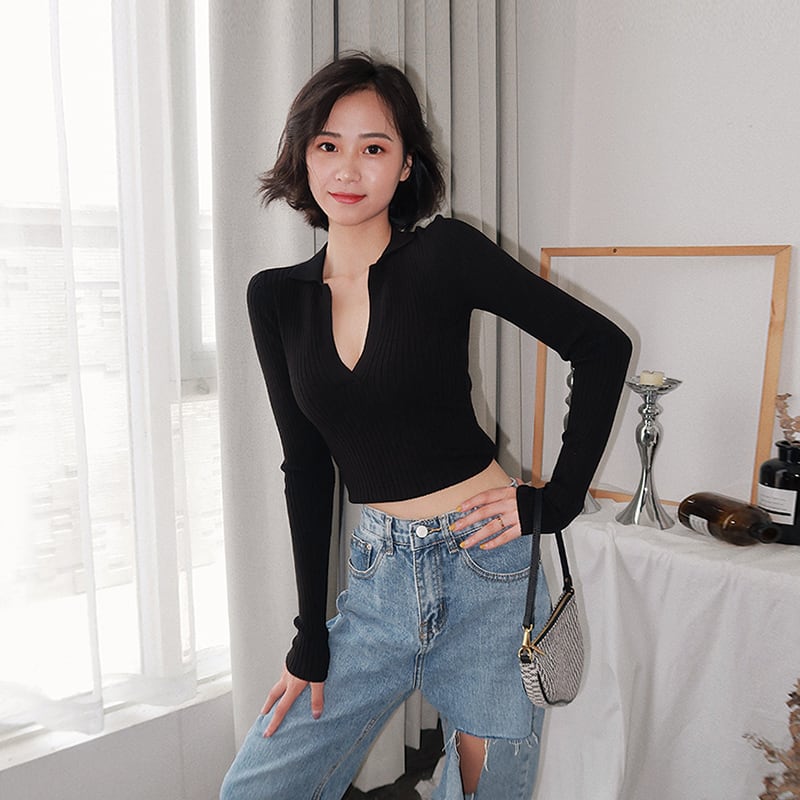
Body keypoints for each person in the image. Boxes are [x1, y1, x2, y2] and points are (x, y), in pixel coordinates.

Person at [220, 53, 631, 800]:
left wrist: (558, 500)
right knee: (256, 788)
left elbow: (601, 346)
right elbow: (305, 466)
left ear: (406, 163)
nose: (348, 168)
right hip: (378, 579)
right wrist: (309, 635)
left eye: (374, 147)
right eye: (328, 144)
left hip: (487, 567)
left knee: (479, 793)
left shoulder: (445, 254)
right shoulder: (274, 298)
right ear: (303, 156)